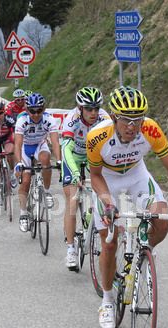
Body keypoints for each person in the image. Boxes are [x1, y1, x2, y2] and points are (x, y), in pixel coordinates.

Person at [86, 86, 168, 328]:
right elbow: (94, 175)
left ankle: (144, 253)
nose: (132, 126)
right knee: (109, 242)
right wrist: (109, 204)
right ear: (114, 117)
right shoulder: (97, 136)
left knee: (162, 221)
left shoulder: (150, 129)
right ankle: (107, 300)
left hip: (136, 174)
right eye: (126, 119)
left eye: (138, 119)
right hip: (107, 180)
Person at [61, 87, 110, 269]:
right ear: (80, 108)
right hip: (73, 156)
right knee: (73, 201)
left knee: (103, 194)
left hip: (93, 157)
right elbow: (66, 149)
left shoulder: (104, 119)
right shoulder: (71, 119)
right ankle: (70, 249)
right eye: (89, 109)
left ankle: (91, 216)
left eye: (96, 108)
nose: (93, 113)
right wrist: (75, 173)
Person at [14, 93, 61, 232]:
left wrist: (59, 160)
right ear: (27, 110)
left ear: (44, 109)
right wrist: (19, 163)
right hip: (25, 147)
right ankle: (23, 213)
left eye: (39, 110)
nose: (35, 114)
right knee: (26, 180)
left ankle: (46, 191)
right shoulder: (22, 120)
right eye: (32, 111)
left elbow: (55, 142)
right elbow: (17, 144)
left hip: (40, 144)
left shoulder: (49, 119)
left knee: (46, 160)